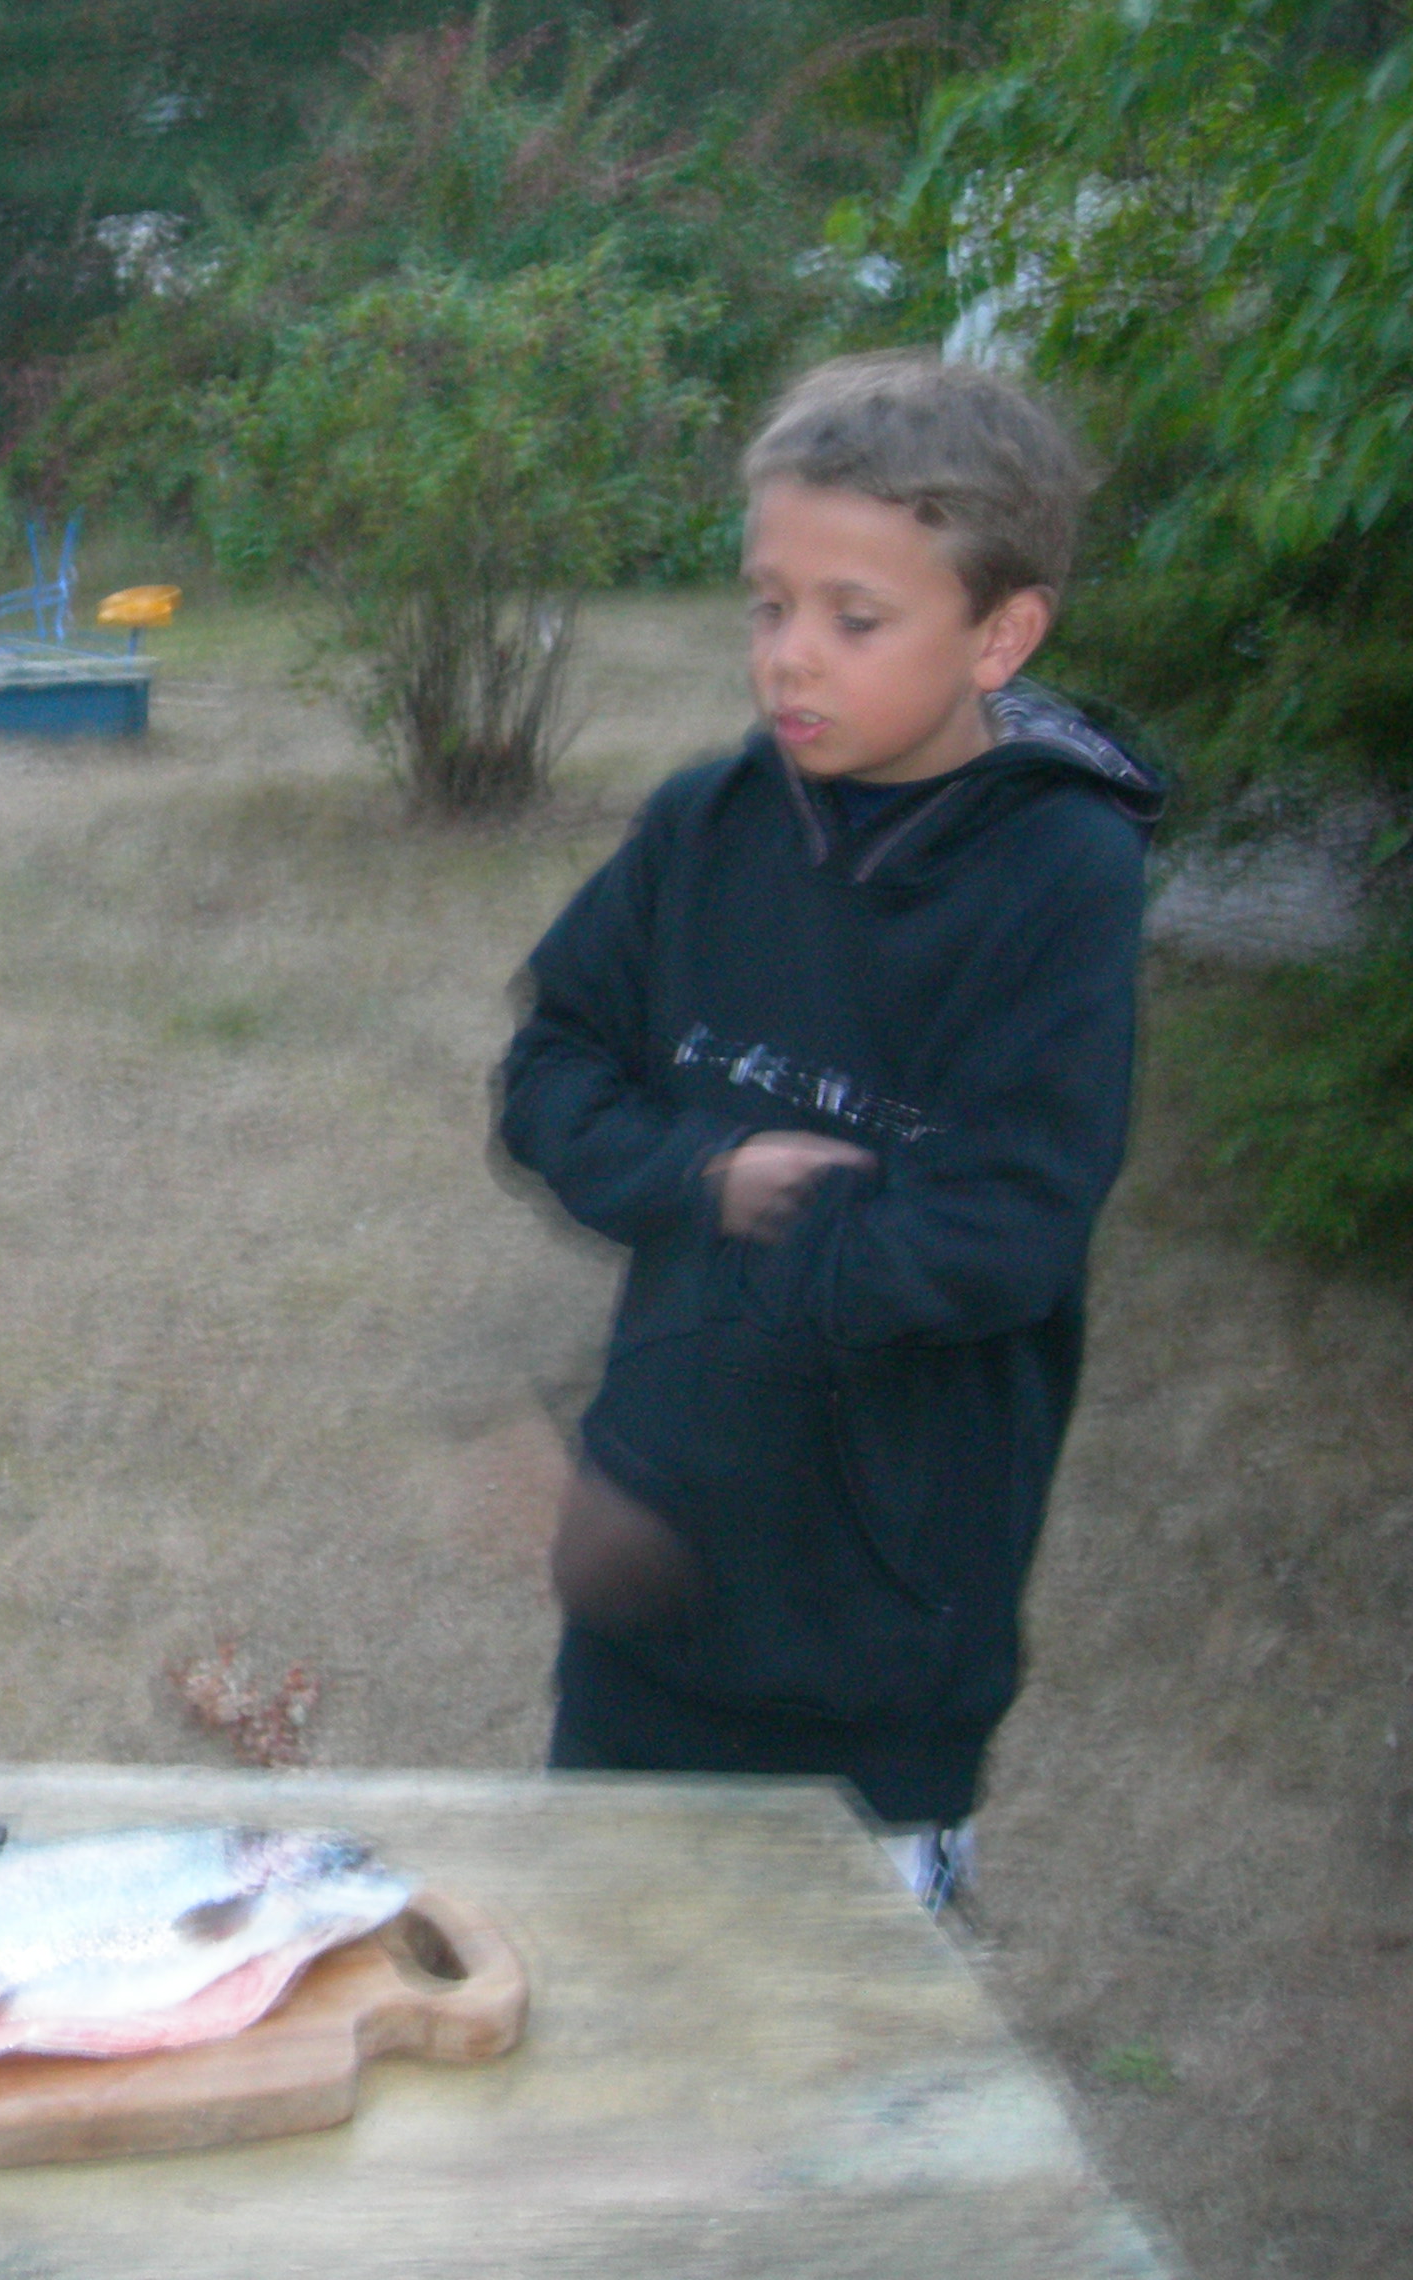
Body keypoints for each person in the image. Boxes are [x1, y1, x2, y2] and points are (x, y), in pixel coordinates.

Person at [495, 352, 1165, 1908]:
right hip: (641, 1605)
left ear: (999, 635)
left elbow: (1001, 1233)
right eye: (767, 604)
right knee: (611, 1990)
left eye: (854, 620)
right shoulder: (704, 827)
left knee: (845, 2045)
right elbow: (552, 1069)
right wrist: (700, 1173)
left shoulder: (1059, 877)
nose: (790, 656)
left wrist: (753, 1259)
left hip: (879, 1643)